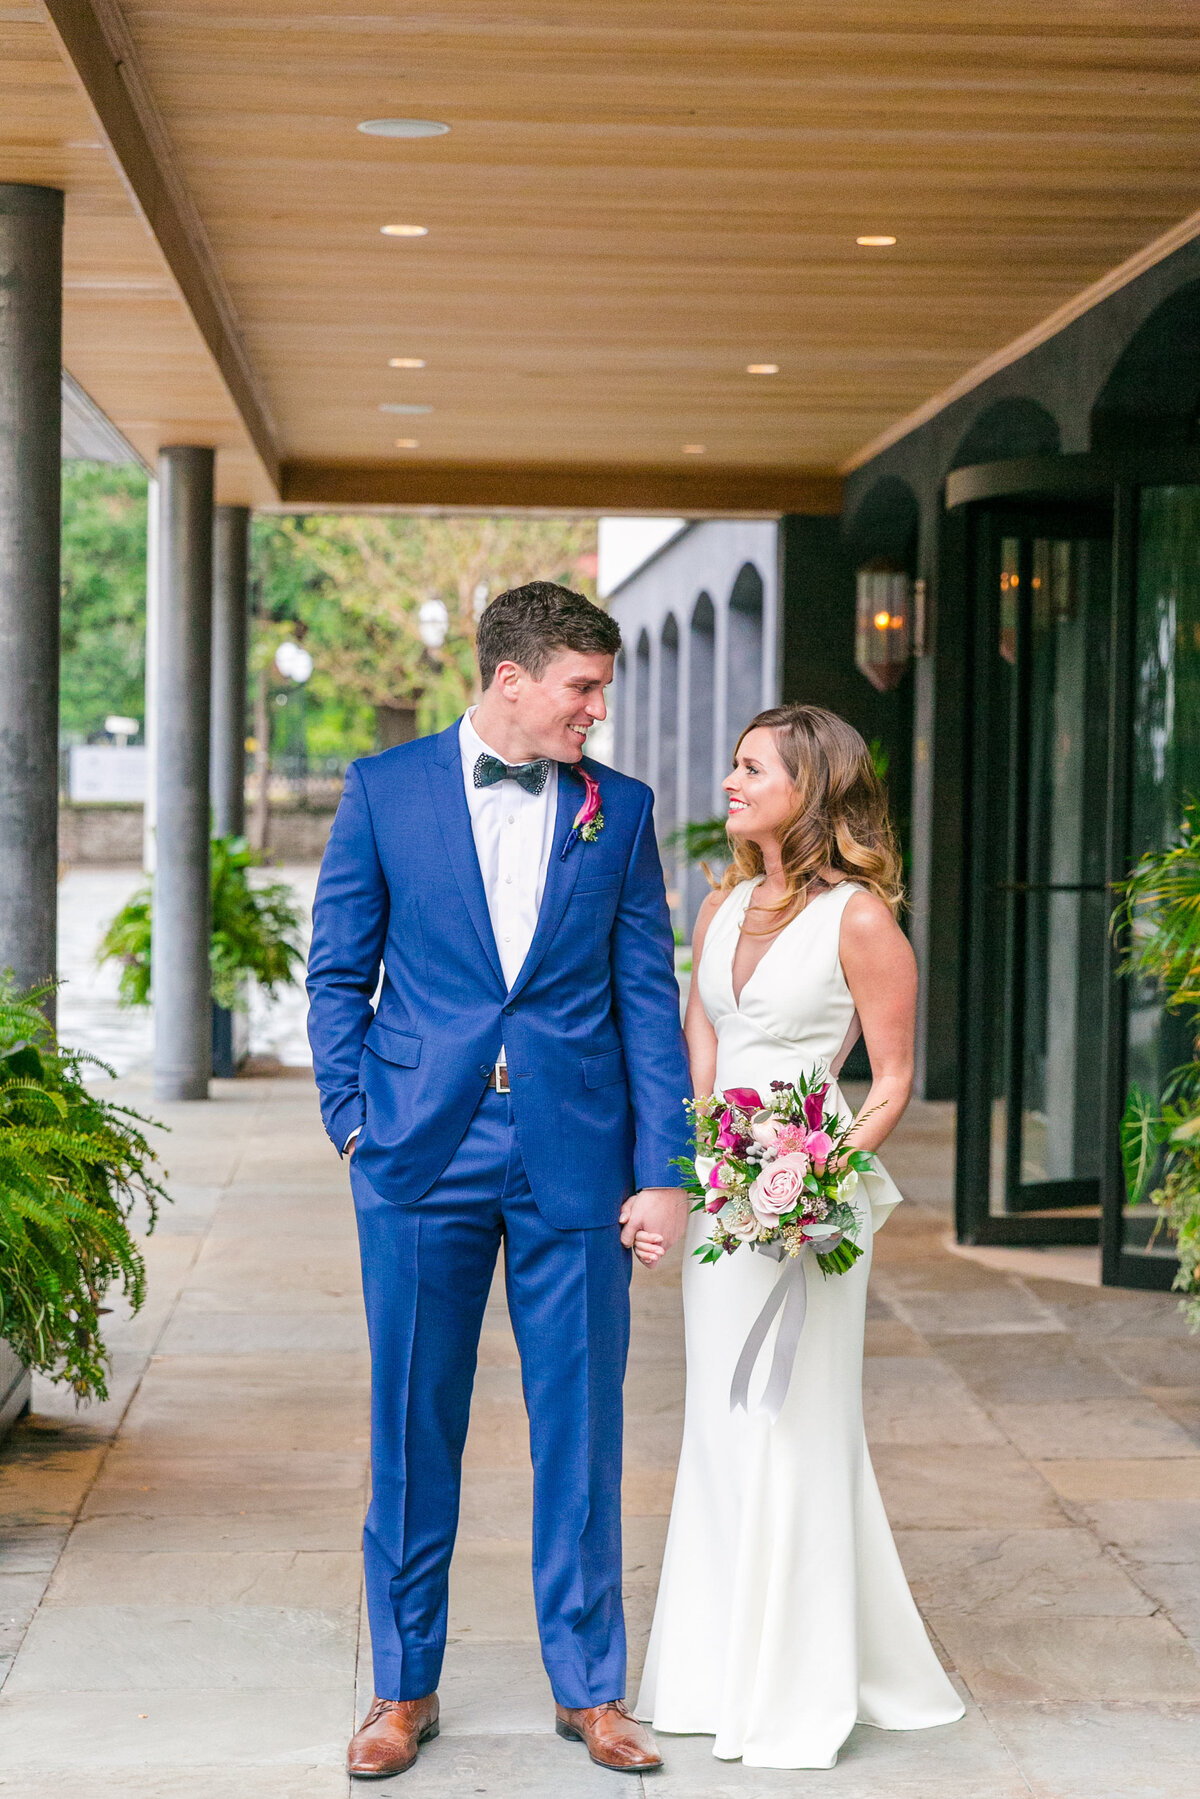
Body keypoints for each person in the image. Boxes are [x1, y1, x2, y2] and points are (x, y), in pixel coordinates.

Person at [306, 582, 691, 1780]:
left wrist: (666, 1168)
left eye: (602, 689)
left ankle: (591, 1689)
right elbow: (335, 973)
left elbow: (645, 995)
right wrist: (356, 1122)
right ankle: (401, 1686)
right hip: (421, 1151)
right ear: (512, 678)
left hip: (575, 1154)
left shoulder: (616, 810)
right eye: (583, 687)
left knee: (581, 1425)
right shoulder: (384, 789)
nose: (597, 710)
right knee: (413, 1427)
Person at [634, 703, 965, 1770]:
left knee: (790, 1421)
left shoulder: (861, 917)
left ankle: (797, 1680)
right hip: (725, 1206)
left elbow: (895, 1077)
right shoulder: (721, 906)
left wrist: (812, 1171)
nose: (728, 782)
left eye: (750, 767)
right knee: (722, 1425)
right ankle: (712, 1668)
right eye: (732, 763)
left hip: (808, 1210)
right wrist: (685, 1177)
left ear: (809, 787)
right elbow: (697, 1058)